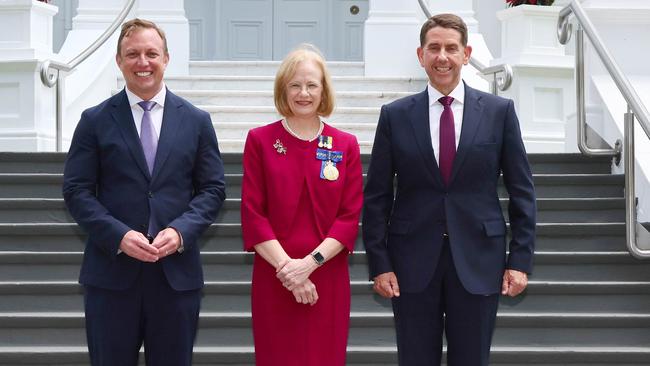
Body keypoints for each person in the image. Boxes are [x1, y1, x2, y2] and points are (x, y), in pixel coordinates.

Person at [362, 13, 536, 366]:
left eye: (451, 48)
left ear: (466, 54)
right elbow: (377, 196)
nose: (442, 56)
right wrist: (380, 264)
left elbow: (522, 192)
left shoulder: (499, 112)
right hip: (410, 263)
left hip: (479, 260)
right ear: (421, 54)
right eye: (434, 48)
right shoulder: (394, 115)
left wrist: (519, 261)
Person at [62, 18, 226, 366]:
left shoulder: (197, 121)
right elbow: (77, 191)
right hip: (111, 277)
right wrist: (118, 236)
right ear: (119, 61)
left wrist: (181, 231)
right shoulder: (94, 120)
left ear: (166, 58)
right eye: (132, 54)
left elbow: (212, 190)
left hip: (176, 278)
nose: (143, 62)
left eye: (152, 53)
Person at [240, 44, 363, 366]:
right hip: (274, 275)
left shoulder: (345, 145)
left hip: (327, 274)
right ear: (283, 90)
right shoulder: (260, 140)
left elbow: (349, 217)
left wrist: (308, 265)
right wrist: (289, 271)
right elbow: (253, 214)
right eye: (294, 85)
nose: (303, 93)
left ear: (324, 91)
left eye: (311, 84)